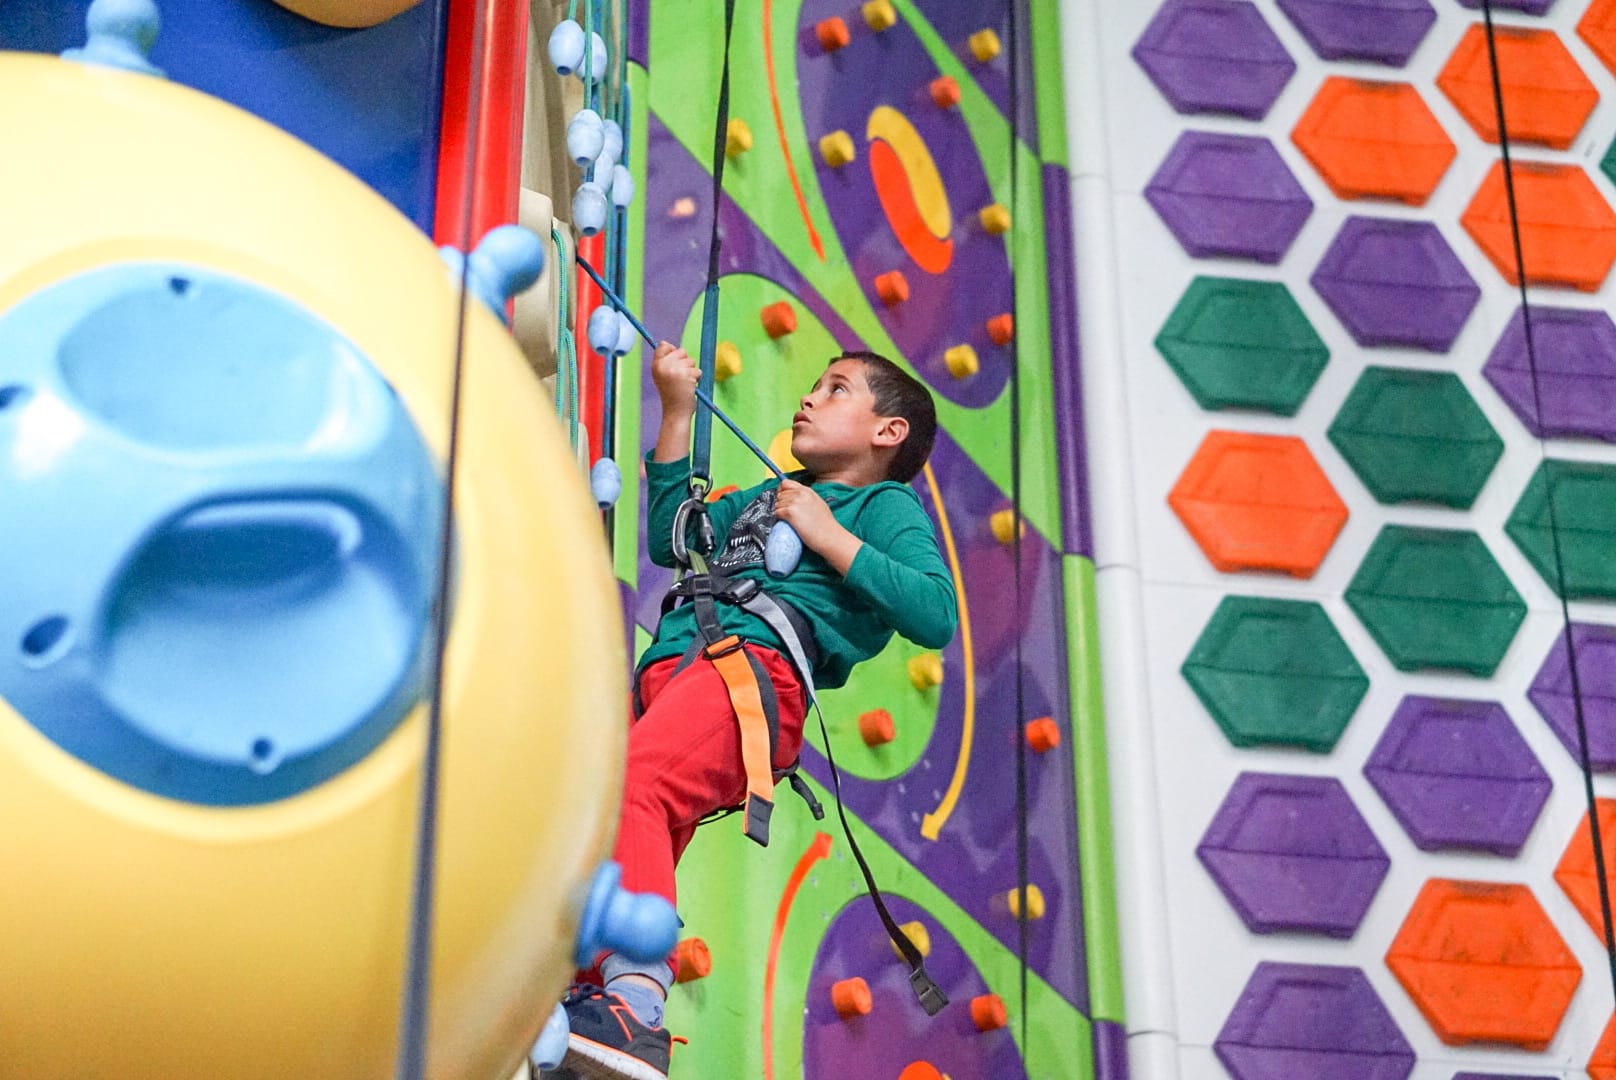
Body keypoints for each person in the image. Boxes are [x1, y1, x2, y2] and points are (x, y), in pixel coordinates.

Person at [549, 343, 958, 1080]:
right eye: (814, 385)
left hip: (748, 672)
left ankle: (634, 1001)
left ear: (887, 432)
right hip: (680, 669)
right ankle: (587, 1003)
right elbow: (675, 536)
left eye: (836, 389)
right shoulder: (774, 494)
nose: (809, 397)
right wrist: (677, 411)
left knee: (635, 789)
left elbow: (933, 611)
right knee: (613, 824)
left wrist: (827, 533)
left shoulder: (880, 505)